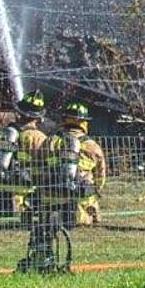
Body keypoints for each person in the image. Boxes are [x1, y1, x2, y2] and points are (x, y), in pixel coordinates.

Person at [22, 101, 108, 273]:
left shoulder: (50, 141)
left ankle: (44, 259)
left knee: (46, 231)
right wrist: (95, 194)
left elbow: (38, 168)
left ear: (64, 120)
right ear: (84, 123)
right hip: (80, 204)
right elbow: (100, 177)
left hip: (49, 199)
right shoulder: (92, 146)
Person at [0, 91, 51, 221]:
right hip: (33, 190)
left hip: (5, 192)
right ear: (38, 117)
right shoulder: (42, 138)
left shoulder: (7, 133)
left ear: (20, 112)